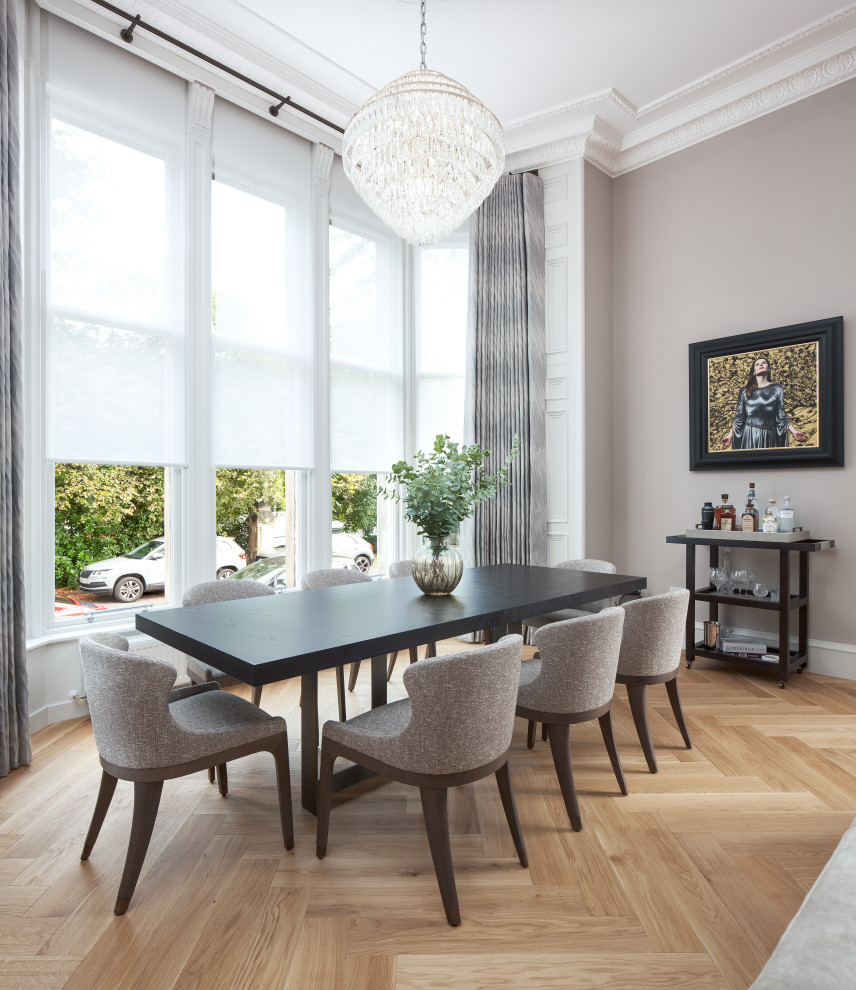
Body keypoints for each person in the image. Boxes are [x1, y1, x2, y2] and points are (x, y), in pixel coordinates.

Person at [720, 355, 808, 450]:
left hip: (769, 435)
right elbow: (739, 417)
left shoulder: (777, 388)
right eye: (757, 364)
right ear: (754, 372)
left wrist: (794, 431)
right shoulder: (745, 391)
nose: (761, 365)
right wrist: (729, 436)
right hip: (749, 435)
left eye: (764, 363)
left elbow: (781, 415)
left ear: (769, 369)